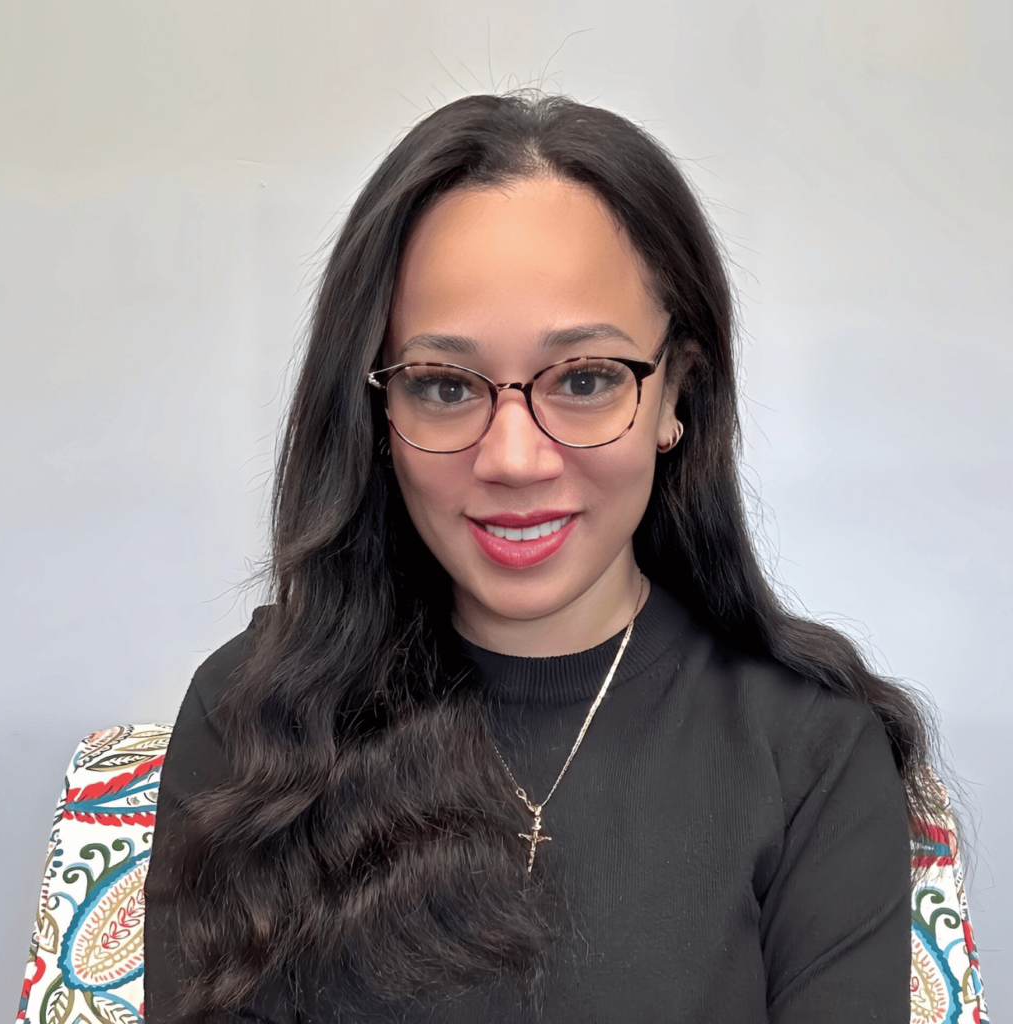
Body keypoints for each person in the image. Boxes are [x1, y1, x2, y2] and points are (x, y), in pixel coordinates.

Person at [144, 91, 938, 1023]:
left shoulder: (811, 747)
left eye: (588, 380)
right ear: (378, 414)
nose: (515, 458)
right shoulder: (253, 722)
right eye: (444, 385)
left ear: (677, 392)